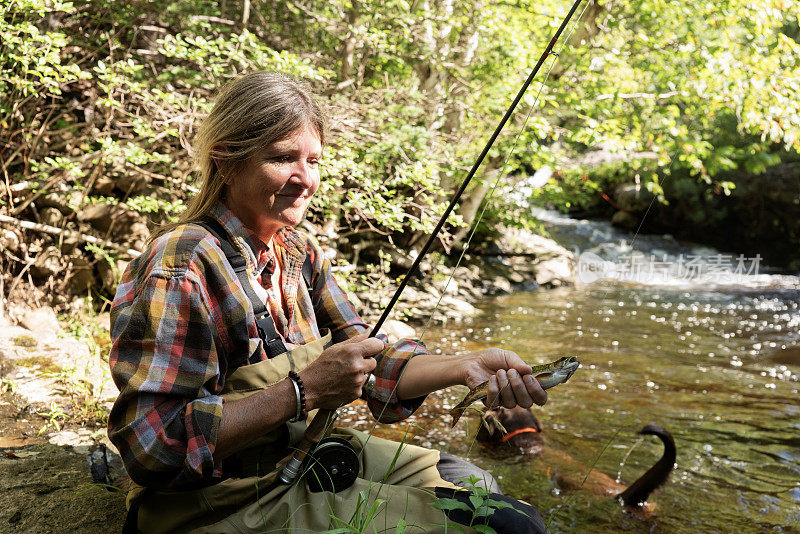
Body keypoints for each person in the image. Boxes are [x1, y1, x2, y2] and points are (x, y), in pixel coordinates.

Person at [108, 71, 548, 533]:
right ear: (225, 161)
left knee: (473, 480)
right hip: (214, 499)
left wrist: (467, 367)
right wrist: (306, 390)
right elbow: (152, 447)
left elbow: (374, 365)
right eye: (283, 159)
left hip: (297, 452)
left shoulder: (298, 251)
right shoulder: (181, 265)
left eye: (314, 161)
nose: (305, 179)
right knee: (514, 527)